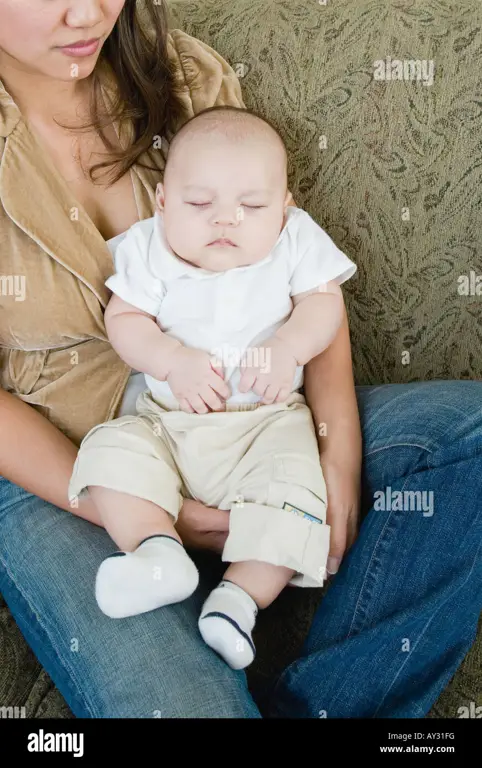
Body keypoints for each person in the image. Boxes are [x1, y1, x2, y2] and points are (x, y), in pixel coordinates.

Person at [0, 0, 480, 718]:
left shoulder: (182, 78)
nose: (88, 12)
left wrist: (335, 449)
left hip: (257, 416)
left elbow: (297, 269)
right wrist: (136, 509)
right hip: (65, 467)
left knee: (469, 433)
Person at [66, 106, 357, 670]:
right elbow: (123, 321)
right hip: (167, 423)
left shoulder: (295, 241)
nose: (227, 221)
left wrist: (291, 347)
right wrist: (170, 359)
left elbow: (324, 305)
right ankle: (157, 553)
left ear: (285, 208)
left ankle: (238, 601)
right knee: (111, 452)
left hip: (268, 425)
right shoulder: (148, 248)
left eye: (252, 207)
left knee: (299, 495)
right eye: (201, 204)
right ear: (163, 203)